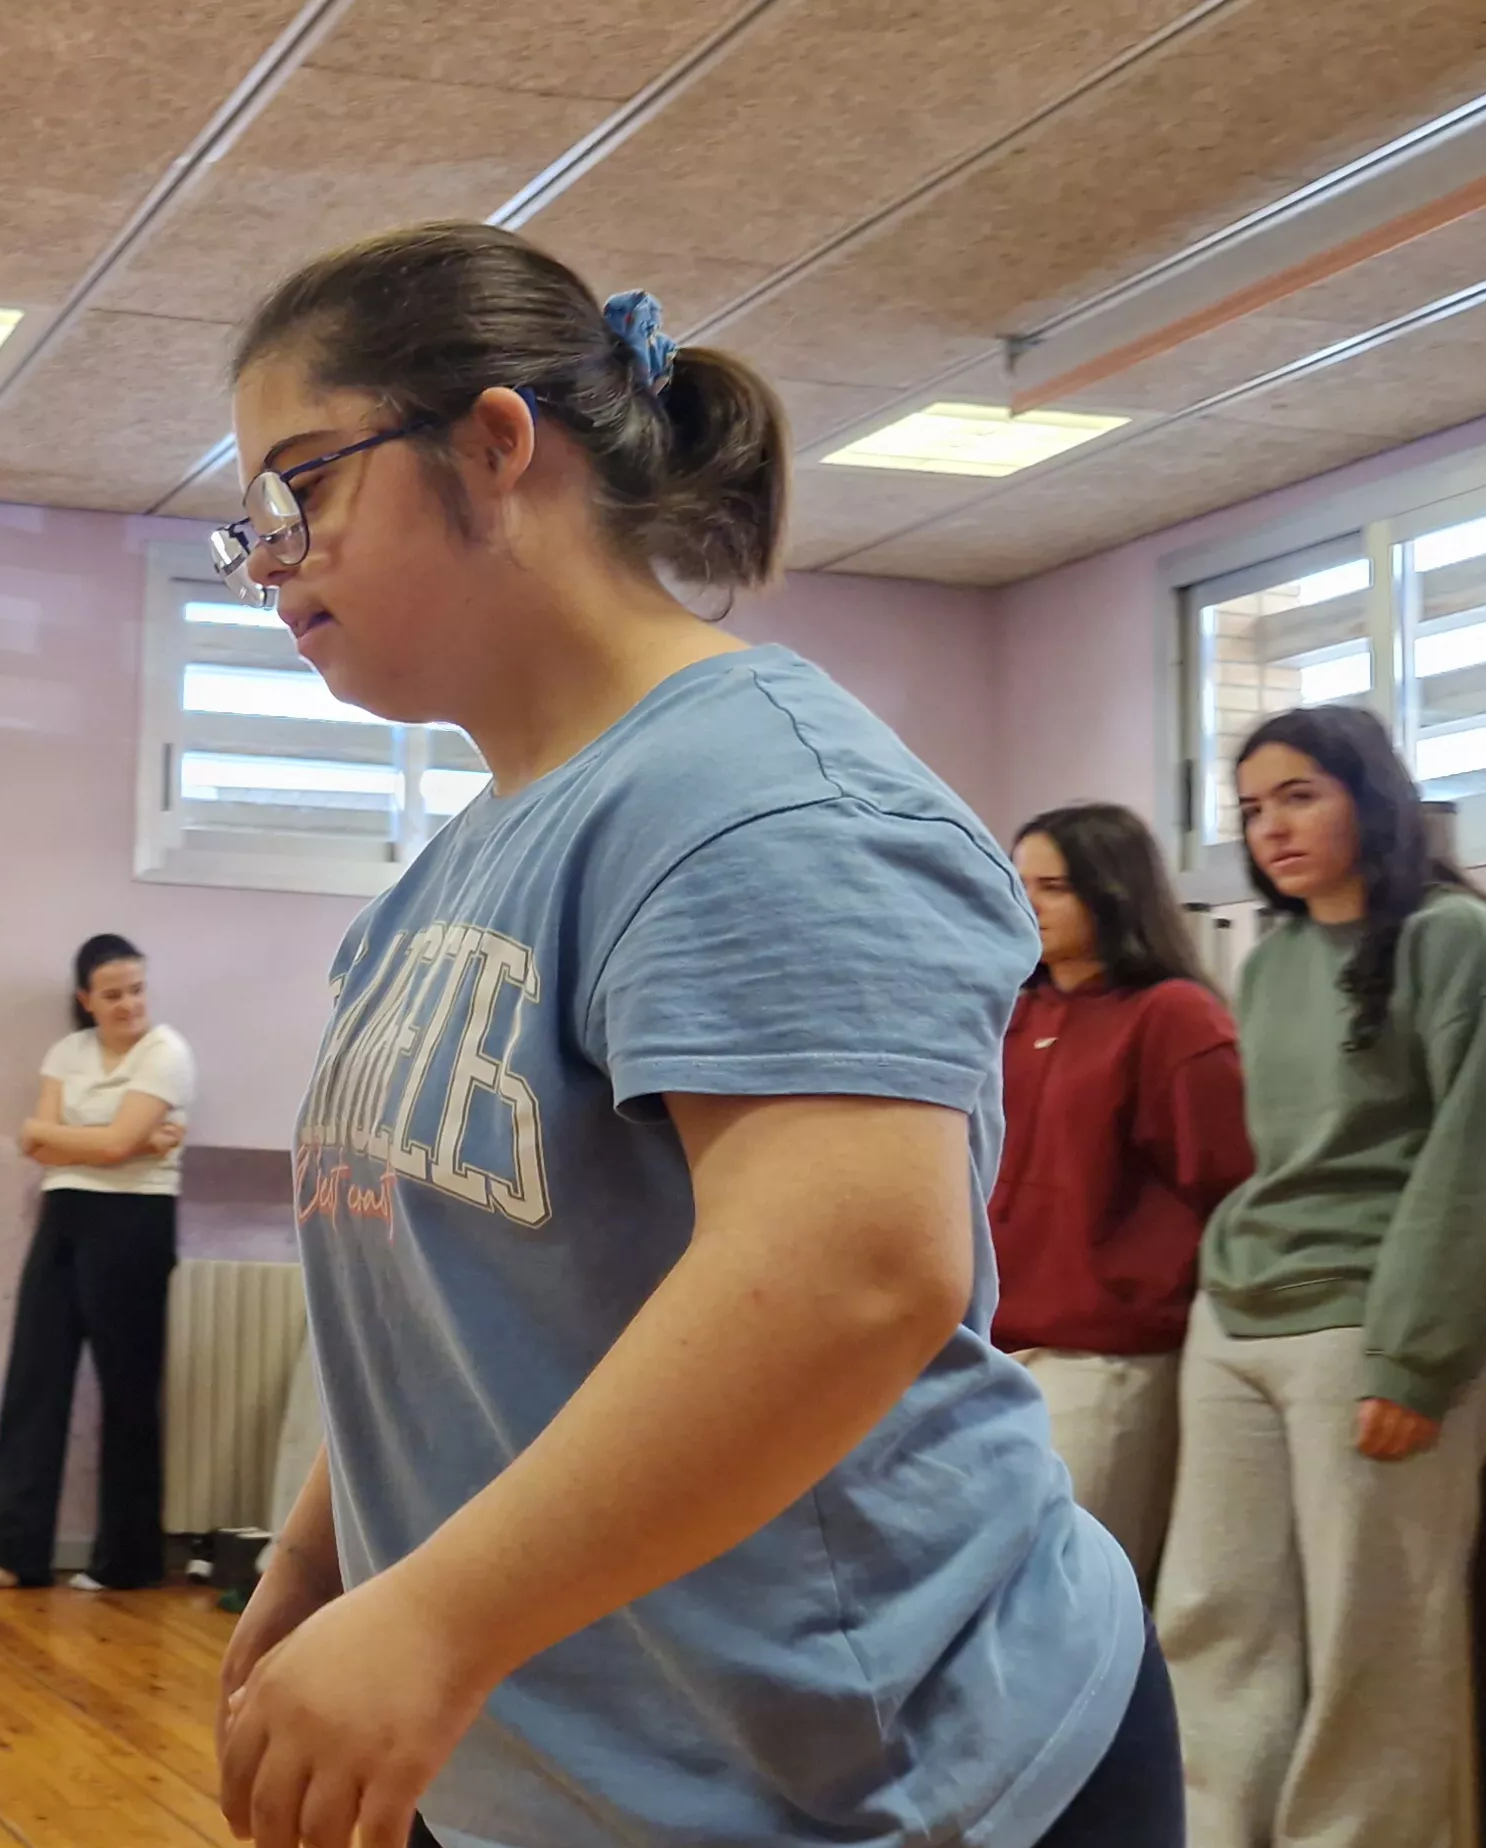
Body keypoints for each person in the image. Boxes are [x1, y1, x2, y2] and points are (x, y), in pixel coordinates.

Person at [199, 225, 1167, 1848]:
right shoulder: (460, 863)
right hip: (577, 1771)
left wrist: (435, 1620)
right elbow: (452, 1292)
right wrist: (328, 1558)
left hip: (893, 1782)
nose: (270, 555)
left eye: (303, 487)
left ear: (497, 446)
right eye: (251, 519)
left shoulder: (761, 799)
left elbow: (858, 1277)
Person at [1157, 703, 1486, 1848]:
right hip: (1240, 1314)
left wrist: (1417, 1354)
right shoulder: (1274, 957)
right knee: (1209, 1619)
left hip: (1380, 1325)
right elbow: (1277, 1159)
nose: (1271, 826)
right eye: (1251, 807)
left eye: (1300, 795)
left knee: (1373, 1641)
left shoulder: (1455, 939)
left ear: (1368, 798)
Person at [993, 804, 1251, 1592]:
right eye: (1019, 882)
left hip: (1110, 1360)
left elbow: (1232, 1182)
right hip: (1000, 1350)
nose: (1028, 903)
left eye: (1055, 887)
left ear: (1112, 893)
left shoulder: (1172, 1016)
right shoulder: (1014, 1011)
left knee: (1080, 1598)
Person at [0, 933, 193, 1595]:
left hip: (134, 1224)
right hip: (64, 1218)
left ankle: (127, 1562)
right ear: (86, 999)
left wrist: (77, 1140)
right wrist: (121, 1143)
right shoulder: (67, 1052)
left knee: (128, 1392)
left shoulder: (167, 1053)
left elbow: (100, 1145)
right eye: (112, 994)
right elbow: (47, 1144)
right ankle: (11, 1552)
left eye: (136, 989)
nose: (128, 1004)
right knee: (35, 1380)